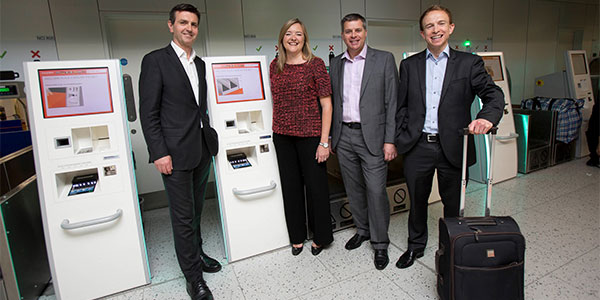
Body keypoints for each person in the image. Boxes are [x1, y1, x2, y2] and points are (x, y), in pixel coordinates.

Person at [394, 5, 504, 269]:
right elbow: (402, 106)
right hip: (418, 145)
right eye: (430, 26)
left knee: (452, 204)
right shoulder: (409, 65)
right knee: (417, 201)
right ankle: (415, 246)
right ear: (422, 33)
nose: (436, 30)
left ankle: (451, 249)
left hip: (454, 145)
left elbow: (493, 94)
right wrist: (400, 136)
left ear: (451, 28)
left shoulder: (469, 63)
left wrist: (487, 117)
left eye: (441, 24)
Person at [139, 4, 220, 300]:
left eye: (194, 24)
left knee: (197, 210)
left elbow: (198, 107)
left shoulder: (199, 63)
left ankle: (197, 255)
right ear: (170, 25)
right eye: (183, 22)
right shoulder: (155, 61)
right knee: (183, 216)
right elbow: (148, 113)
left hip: (201, 149)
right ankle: (193, 279)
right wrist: (159, 152)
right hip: (172, 154)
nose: (189, 28)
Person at [329, 13, 398, 270]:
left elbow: (393, 103)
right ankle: (363, 229)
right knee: (353, 188)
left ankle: (380, 244)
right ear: (343, 35)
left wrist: (390, 140)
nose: (354, 35)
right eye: (348, 31)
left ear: (365, 32)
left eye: (358, 30)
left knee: (376, 191)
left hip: (374, 137)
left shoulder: (384, 59)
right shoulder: (336, 64)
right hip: (344, 135)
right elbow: (333, 102)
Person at [270, 18, 334, 256]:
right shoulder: (275, 65)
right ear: (282, 39)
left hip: (310, 137)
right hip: (282, 137)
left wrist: (324, 142)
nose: (293, 38)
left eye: (298, 33)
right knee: (291, 188)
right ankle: (297, 236)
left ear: (304, 38)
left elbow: (327, 106)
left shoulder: (315, 65)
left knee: (316, 189)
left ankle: (321, 237)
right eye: (288, 34)